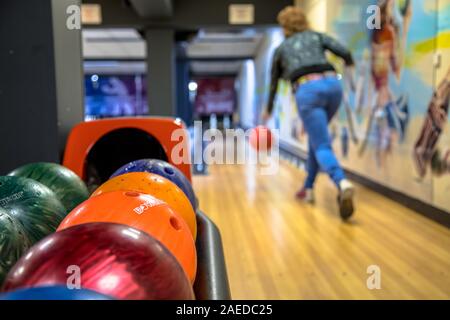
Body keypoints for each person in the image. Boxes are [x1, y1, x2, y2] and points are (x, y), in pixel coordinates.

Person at [263, 6, 355, 220]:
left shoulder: (282, 49)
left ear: (285, 27)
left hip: (308, 90)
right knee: (317, 138)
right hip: (333, 86)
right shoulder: (317, 36)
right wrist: (350, 66)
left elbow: (274, 84)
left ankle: (341, 182)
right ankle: (308, 187)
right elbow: (345, 53)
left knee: (321, 144)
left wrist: (267, 111)